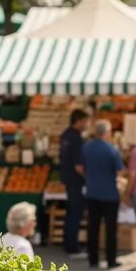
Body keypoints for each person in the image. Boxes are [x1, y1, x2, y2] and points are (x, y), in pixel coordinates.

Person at [82, 119, 124, 269]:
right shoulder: (112, 150)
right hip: (110, 194)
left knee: (93, 227)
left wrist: (89, 177)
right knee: (110, 229)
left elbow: (80, 167)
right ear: (107, 133)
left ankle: (93, 259)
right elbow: (119, 171)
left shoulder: (87, 147)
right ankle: (110, 260)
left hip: (92, 192)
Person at [59, 108, 89, 255]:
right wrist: (88, 177)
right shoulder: (76, 138)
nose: (87, 124)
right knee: (75, 212)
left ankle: (68, 241)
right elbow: (78, 166)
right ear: (79, 121)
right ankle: (72, 246)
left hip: (67, 178)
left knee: (71, 210)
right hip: (75, 181)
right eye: (85, 121)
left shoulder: (66, 135)